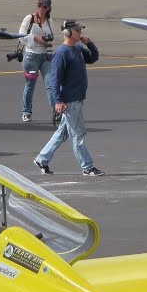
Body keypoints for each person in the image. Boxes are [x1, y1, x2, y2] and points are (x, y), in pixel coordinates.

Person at [33, 19, 105, 177]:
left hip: (77, 98)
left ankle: (42, 158)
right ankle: (87, 166)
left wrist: (90, 43)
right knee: (78, 135)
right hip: (70, 100)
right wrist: (58, 100)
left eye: (80, 30)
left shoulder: (78, 49)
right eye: (78, 30)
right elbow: (55, 78)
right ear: (68, 32)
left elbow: (93, 58)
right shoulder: (62, 52)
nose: (80, 32)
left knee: (62, 133)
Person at [17, 0, 57, 124]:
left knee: (50, 84)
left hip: (46, 57)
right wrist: (36, 39)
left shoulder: (50, 20)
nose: (41, 8)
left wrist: (47, 42)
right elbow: (21, 36)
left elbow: (52, 38)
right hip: (31, 57)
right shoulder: (29, 18)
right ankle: (26, 112)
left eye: (44, 6)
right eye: (39, 5)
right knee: (30, 85)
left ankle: (57, 111)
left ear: (49, 8)